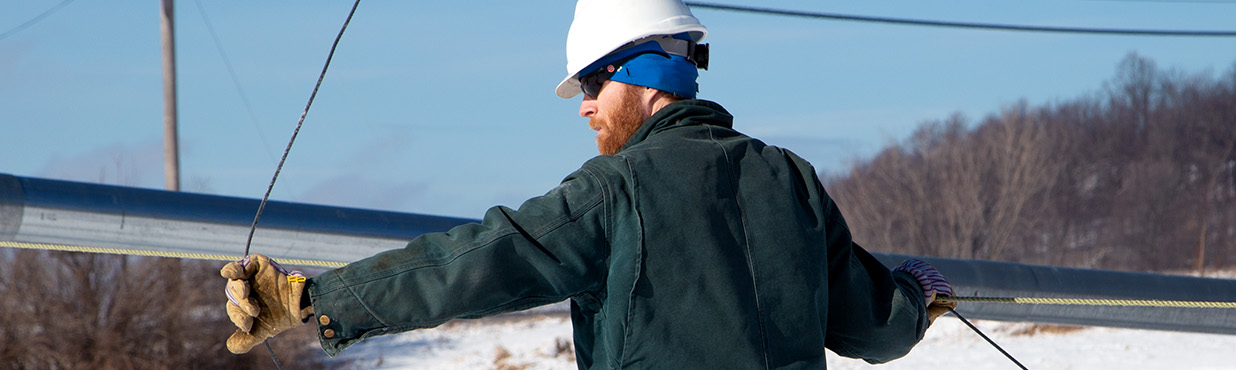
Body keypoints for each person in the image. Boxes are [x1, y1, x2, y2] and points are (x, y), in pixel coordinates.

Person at [220, 0, 956, 368]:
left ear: (640, 74)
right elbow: (870, 326)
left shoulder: (617, 191)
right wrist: (916, 298)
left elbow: (479, 262)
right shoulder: (789, 180)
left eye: (592, 86)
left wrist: (313, 299)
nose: (585, 108)